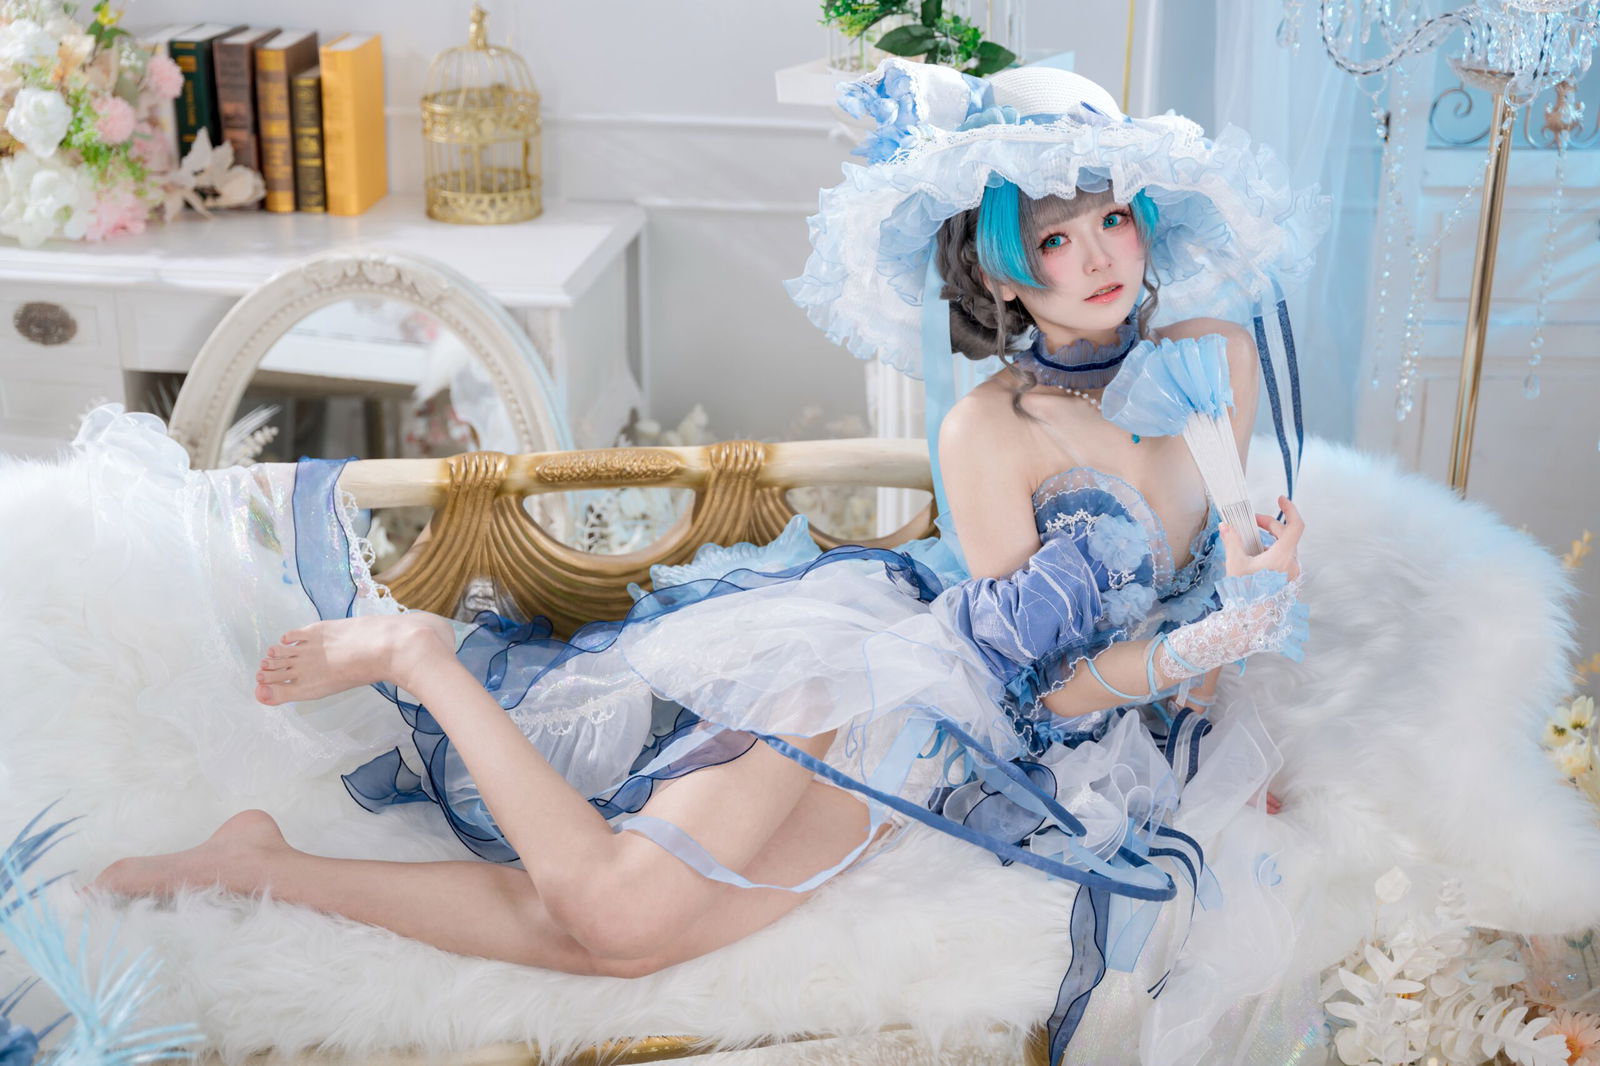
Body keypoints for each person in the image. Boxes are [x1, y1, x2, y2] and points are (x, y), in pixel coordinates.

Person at [94, 60, 1328, 1064]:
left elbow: (1214, 583)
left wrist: (1238, 615)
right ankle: (419, 654)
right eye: (1057, 236)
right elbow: (1031, 688)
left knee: (621, 942)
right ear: (1004, 269)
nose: (1101, 256)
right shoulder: (987, 430)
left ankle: (263, 866)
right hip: (884, 681)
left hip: (975, 738)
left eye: (1114, 218)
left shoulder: (1212, 357)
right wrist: (1186, 650)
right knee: (616, 911)